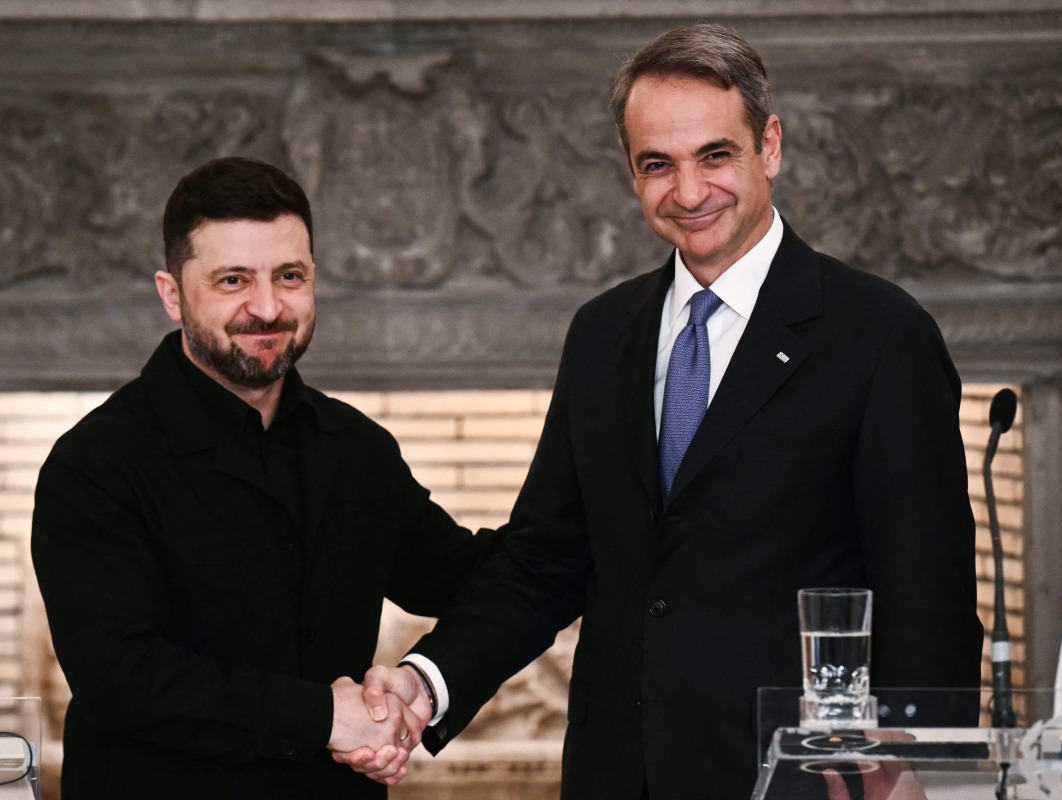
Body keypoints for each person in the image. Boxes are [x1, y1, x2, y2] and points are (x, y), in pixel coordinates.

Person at [339, 22, 983, 800]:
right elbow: (546, 560)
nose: (687, 192)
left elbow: (930, 596)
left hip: (800, 786)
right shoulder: (603, 334)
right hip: (618, 778)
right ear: (630, 171)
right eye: (657, 165)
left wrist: (919, 771)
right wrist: (425, 682)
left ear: (769, 147)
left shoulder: (881, 336)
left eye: (715, 155)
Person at [30, 156, 502, 800]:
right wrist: (326, 718)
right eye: (232, 280)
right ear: (172, 294)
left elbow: (468, 578)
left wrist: (420, 681)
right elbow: (122, 679)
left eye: (290, 276)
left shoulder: (356, 449)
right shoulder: (95, 463)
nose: (267, 306)